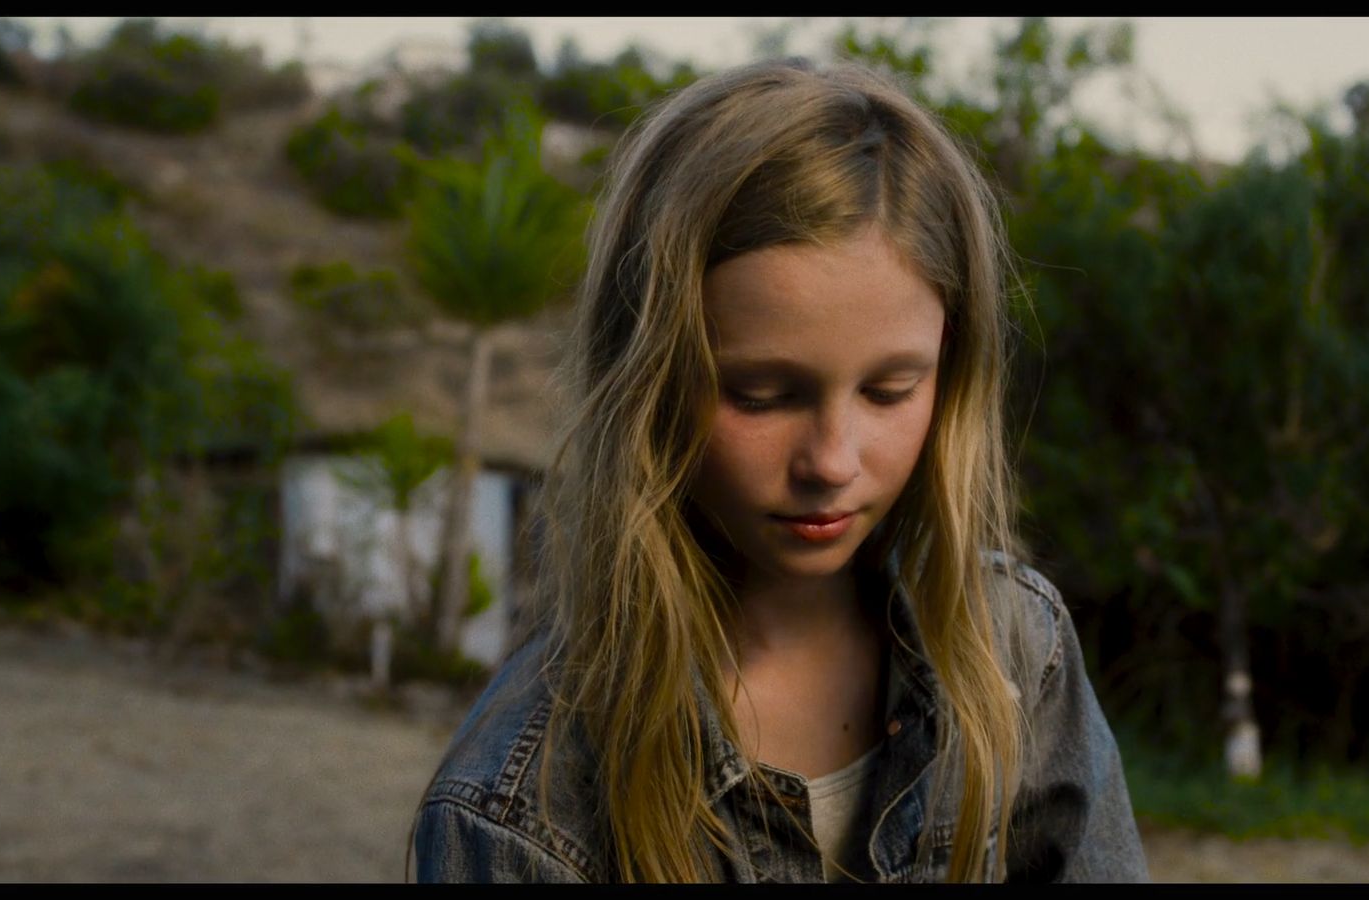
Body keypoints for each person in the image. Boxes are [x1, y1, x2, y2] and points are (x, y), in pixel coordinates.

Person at [410, 57, 1149, 883]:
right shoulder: (517, 808)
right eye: (761, 395)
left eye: (889, 390)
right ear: (644, 385)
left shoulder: (1019, 652)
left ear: (954, 371)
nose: (832, 461)